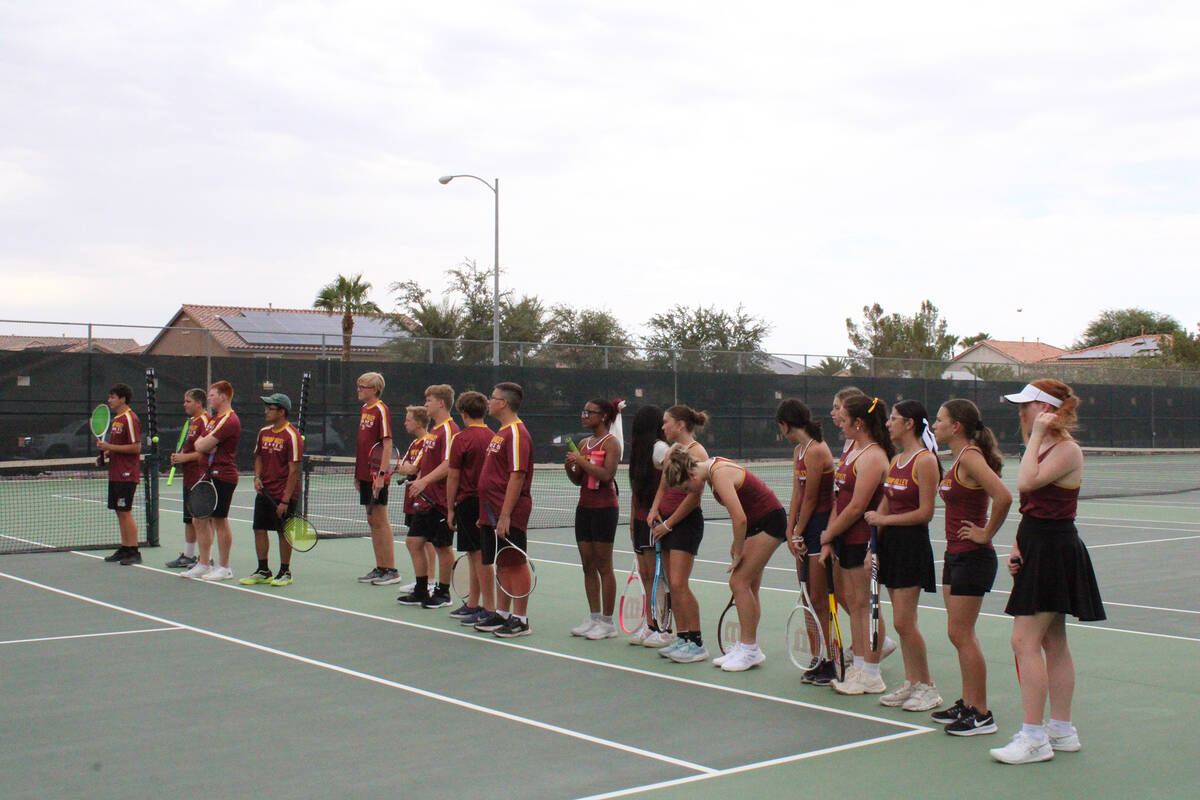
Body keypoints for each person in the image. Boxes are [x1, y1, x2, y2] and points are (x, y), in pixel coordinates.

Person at [990, 381, 1105, 765]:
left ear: (1045, 409)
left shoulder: (1067, 449)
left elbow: (1025, 483)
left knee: (1024, 642)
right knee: (1052, 641)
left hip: (1056, 550)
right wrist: (1020, 545)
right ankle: (1061, 730)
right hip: (1039, 545)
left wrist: (1037, 434)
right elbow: (1032, 506)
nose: (1020, 413)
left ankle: (1035, 736)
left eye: (1027, 406)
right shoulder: (1039, 446)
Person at [663, 449, 787, 672]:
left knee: (738, 583)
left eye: (685, 488)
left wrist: (739, 549)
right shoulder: (710, 473)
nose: (688, 492)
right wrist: (738, 542)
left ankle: (749, 649)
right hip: (757, 524)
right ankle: (746, 646)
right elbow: (743, 514)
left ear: (690, 475)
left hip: (770, 522)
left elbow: (739, 517)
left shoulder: (718, 474)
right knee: (749, 586)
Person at [931, 398, 1012, 736]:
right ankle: (968, 702)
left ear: (956, 427)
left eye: (939, 420)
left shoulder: (972, 458)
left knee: (963, 634)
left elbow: (1004, 496)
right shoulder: (958, 459)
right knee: (957, 633)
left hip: (973, 557)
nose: (934, 425)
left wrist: (986, 533)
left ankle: (981, 714)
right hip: (955, 555)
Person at [864, 400, 942, 712]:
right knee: (901, 623)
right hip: (891, 545)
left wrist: (883, 521)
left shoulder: (925, 461)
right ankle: (912, 683)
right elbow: (886, 502)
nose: (888, 424)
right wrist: (874, 546)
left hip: (912, 545)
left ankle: (927, 687)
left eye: (894, 419)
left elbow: (925, 513)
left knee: (904, 622)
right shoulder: (896, 459)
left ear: (909, 423)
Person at [820, 394, 893, 694]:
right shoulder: (852, 453)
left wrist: (827, 534)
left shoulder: (874, 456)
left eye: (844, 417)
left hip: (866, 541)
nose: (839, 421)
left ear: (859, 422)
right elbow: (841, 500)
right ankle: (861, 667)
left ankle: (872, 673)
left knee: (866, 607)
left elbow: (857, 507)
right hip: (846, 539)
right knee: (856, 605)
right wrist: (832, 536)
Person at [777, 399, 837, 685]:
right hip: (804, 527)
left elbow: (812, 497)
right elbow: (797, 494)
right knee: (806, 598)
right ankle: (817, 657)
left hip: (821, 526)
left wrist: (800, 532)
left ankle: (830, 660)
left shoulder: (817, 450)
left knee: (818, 597)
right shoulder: (798, 451)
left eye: (781, 427)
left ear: (786, 424)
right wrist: (790, 530)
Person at [646, 405, 710, 662]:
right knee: (673, 584)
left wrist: (669, 524)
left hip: (685, 524)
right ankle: (682, 637)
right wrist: (653, 510)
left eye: (667, 422)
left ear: (681, 424)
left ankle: (696, 642)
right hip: (667, 524)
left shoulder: (698, 452)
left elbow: (694, 496)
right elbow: (663, 484)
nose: (663, 427)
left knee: (680, 583)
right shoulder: (673, 450)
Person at [472, 382, 535, 638]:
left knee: (515, 562)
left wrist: (506, 514)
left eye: (493, 397)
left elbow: (517, 476)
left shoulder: (517, 434)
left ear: (504, 403)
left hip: (508, 512)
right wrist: (484, 515)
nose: (489, 401)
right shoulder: (501, 432)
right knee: (501, 562)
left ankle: (521, 619)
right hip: (490, 511)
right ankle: (503, 613)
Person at [565, 398, 622, 640]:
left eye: (589, 412)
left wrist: (582, 462)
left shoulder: (612, 443)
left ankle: (608, 623)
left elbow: (607, 476)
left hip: (604, 509)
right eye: (583, 411)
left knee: (603, 565)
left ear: (603, 416)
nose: (584, 416)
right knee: (587, 565)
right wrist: (571, 465)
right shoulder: (583, 443)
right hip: (584, 508)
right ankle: (594, 616)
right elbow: (578, 479)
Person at [401, 385, 460, 609]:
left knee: (442, 547)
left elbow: (449, 465)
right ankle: (421, 590)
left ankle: (443, 593)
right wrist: (414, 472)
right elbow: (427, 463)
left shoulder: (449, 429)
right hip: (426, 500)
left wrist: (425, 480)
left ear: (441, 403)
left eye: (429, 400)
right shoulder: (433, 432)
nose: (425, 404)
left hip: (442, 501)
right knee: (413, 542)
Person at [239, 392, 303, 587]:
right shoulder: (263, 432)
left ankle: (285, 571)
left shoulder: (292, 435)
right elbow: (258, 457)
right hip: (264, 492)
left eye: (270, 408)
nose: (266, 411)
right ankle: (263, 570)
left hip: (284, 494)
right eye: (266, 407)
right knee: (259, 529)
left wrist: (285, 500)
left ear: (282, 412)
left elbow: (294, 471)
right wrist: (257, 477)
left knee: (283, 532)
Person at [183, 380, 241, 581]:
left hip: (223, 475)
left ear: (223, 396)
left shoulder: (229, 420)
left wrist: (204, 445)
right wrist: (204, 445)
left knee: (219, 520)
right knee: (198, 518)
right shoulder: (213, 420)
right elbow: (200, 444)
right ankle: (203, 563)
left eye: (212, 395)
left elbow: (202, 445)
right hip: (206, 475)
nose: (208, 399)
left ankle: (224, 567)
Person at [445, 391, 494, 625]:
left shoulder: (461, 439)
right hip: (488, 502)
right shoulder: (494, 436)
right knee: (475, 554)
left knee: (480, 556)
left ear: (463, 413)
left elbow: (453, 476)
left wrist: (450, 509)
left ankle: (489, 607)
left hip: (469, 502)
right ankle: (474, 603)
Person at [353, 372, 401, 586]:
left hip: (376, 477)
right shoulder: (364, 410)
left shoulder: (381, 409)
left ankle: (391, 569)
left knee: (381, 520)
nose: (359, 389)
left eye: (363, 386)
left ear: (374, 389)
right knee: (372, 520)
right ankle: (380, 566)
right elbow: (363, 445)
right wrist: (358, 474)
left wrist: (381, 475)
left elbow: (387, 445)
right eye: (358, 385)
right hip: (364, 475)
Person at [626, 405, 668, 644]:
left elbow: (671, 481)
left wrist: (659, 513)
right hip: (641, 521)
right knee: (645, 575)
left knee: (656, 576)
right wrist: (633, 523)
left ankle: (663, 627)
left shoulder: (660, 449)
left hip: (656, 522)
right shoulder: (638, 451)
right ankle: (650, 624)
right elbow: (636, 491)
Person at [99, 383, 142, 566]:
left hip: (126, 474)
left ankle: (134, 551)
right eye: (109, 397)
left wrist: (109, 447)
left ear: (122, 399)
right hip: (115, 473)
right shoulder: (117, 419)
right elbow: (119, 447)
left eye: (112, 397)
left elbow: (136, 447)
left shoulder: (130, 419)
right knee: (119, 511)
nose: (109, 400)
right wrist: (107, 454)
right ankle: (125, 548)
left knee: (125, 512)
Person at [166, 389, 209, 569]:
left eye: (188, 401)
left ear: (199, 403)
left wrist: (184, 457)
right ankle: (189, 555)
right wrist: (180, 456)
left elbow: (204, 452)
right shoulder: (191, 423)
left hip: (200, 477)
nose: (185, 404)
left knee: (201, 520)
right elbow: (189, 448)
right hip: (188, 477)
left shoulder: (205, 422)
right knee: (189, 518)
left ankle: (207, 557)